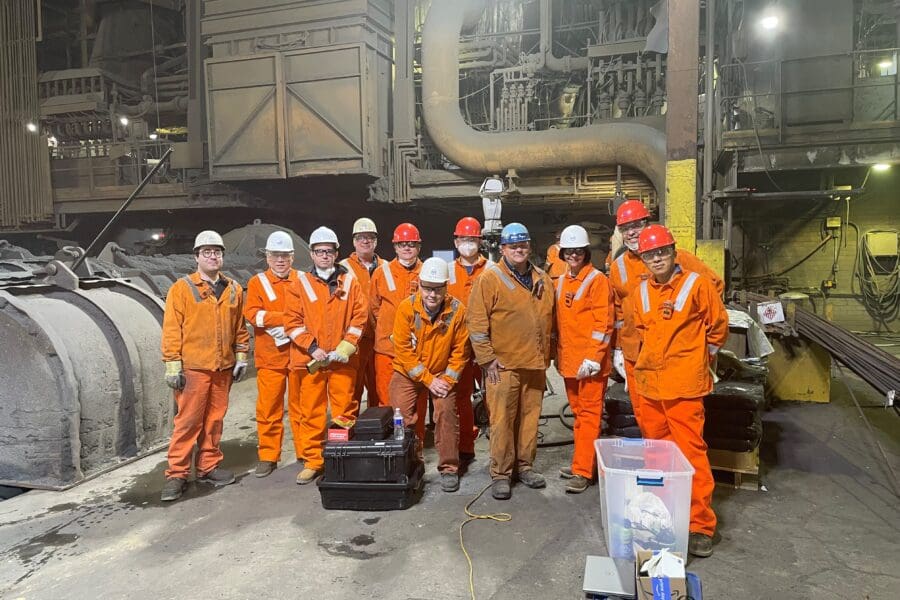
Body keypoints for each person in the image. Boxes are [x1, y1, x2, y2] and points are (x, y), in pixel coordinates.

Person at [632, 224, 728, 558]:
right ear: (642, 258)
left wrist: (702, 358)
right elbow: (642, 330)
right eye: (650, 254)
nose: (656, 258)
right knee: (656, 455)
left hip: (684, 387)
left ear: (673, 252)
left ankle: (699, 524)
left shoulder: (696, 284)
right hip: (650, 386)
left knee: (690, 455)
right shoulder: (641, 290)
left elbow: (718, 327)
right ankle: (661, 516)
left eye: (662, 252)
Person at [608, 200, 724, 431]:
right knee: (647, 419)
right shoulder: (617, 266)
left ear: (647, 223)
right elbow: (619, 311)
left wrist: (700, 343)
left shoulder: (677, 257)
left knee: (681, 421)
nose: (631, 232)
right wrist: (619, 348)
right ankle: (659, 465)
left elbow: (714, 288)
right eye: (625, 228)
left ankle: (683, 466)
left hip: (674, 355)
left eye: (636, 225)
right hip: (636, 354)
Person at [160, 230, 250, 502]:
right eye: (207, 252)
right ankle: (177, 474)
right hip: (195, 369)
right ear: (196, 257)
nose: (213, 256)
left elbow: (240, 329)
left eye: (217, 252)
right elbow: (172, 329)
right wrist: (173, 364)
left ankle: (208, 467)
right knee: (187, 423)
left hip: (222, 369)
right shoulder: (182, 289)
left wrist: (242, 356)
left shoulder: (233, 289)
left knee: (214, 421)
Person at [466, 222, 554, 500]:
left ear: (529, 247)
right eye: (513, 246)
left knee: (530, 419)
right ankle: (501, 474)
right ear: (503, 249)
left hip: (534, 363)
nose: (519, 250)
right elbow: (476, 323)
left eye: (523, 245)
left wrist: (547, 356)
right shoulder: (490, 279)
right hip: (502, 366)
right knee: (502, 420)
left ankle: (524, 467)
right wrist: (487, 360)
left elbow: (551, 323)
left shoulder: (543, 278)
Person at [285, 226, 367, 485]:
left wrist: (347, 345)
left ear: (336, 253)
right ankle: (314, 461)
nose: (324, 256)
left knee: (344, 411)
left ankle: (341, 457)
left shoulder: (350, 282)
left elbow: (359, 317)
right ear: (311, 254)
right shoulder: (300, 284)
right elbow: (292, 322)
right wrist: (311, 347)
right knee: (311, 412)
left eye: (328, 252)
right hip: (315, 361)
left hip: (342, 361)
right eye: (319, 252)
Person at [390, 258, 471, 492]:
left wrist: (447, 380)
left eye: (437, 288)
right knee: (402, 416)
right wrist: (427, 379)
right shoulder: (406, 308)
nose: (432, 294)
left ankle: (449, 468)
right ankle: (411, 464)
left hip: (442, 373)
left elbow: (460, 352)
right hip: (409, 372)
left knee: (446, 413)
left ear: (446, 287)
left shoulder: (457, 311)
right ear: (419, 285)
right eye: (427, 288)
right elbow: (404, 352)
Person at [554, 225, 614, 494]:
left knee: (589, 416)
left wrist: (594, 358)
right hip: (569, 361)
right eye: (569, 251)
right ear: (563, 253)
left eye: (578, 251)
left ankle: (583, 471)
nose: (573, 255)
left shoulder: (597, 280)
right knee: (580, 416)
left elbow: (604, 323)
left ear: (586, 252)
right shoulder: (562, 280)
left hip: (589, 364)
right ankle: (583, 462)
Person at [243, 231, 301, 478]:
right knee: (268, 409)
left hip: (299, 356)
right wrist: (286, 319)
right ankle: (268, 456)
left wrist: (274, 318)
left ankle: (305, 452)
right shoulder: (258, 283)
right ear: (267, 256)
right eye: (276, 255)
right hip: (270, 358)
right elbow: (252, 314)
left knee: (301, 407)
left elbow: (310, 312)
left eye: (285, 255)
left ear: (293, 257)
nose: (280, 260)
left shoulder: (302, 280)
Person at [369, 223, 423, 433]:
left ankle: (414, 448)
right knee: (386, 400)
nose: (407, 248)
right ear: (395, 247)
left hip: (417, 352)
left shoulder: (427, 271)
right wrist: (387, 333)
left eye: (411, 244)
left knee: (416, 402)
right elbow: (374, 309)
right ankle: (388, 450)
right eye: (402, 244)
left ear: (418, 246)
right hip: (387, 351)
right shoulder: (381, 273)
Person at [446, 216, 490, 464]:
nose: (468, 243)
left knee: (494, 397)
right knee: (461, 399)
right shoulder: (447, 270)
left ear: (480, 241)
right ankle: (465, 448)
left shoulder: (493, 270)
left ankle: (500, 450)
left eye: (472, 239)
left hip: (487, 346)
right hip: (458, 347)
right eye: (464, 239)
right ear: (456, 241)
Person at [339, 217, 383, 409]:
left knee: (379, 385)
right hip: (354, 338)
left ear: (376, 241)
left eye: (370, 237)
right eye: (361, 237)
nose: (366, 241)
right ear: (354, 241)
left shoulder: (387, 267)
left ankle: (378, 426)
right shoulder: (342, 268)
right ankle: (351, 428)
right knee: (352, 386)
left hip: (381, 337)